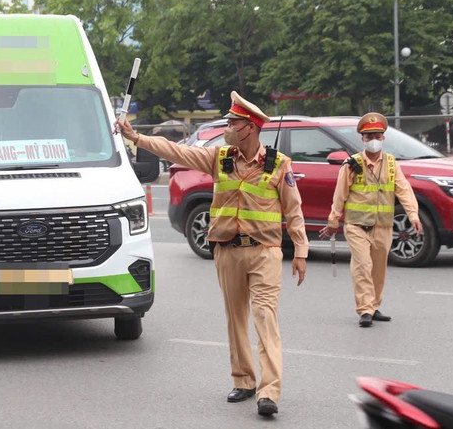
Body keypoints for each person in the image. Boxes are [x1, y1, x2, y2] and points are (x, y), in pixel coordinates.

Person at [115, 91, 308, 418]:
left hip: (265, 253)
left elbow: (295, 210)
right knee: (235, 321)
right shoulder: (221, 158)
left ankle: (269, 391)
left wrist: (301, 251)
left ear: (250, 127)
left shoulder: (279, 165)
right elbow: (179, 150)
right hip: (227, 252)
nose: (228, 127)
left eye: (233, 122)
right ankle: (244, 380)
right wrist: (137, 137)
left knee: (264, 318)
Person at [319, 113, 422, 328]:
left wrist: (413, 214)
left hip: (383, 226)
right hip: (357, 226)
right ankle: (365, 309)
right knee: (363, 266)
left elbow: (404, 190)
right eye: (369, 136)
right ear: (363, 140)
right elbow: (340, 195)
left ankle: (374, 306)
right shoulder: (352, 164)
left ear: (383, 138)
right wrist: (332, 221)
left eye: (377, 135)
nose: (373, 139)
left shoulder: (392, 164)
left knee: (378, 269)